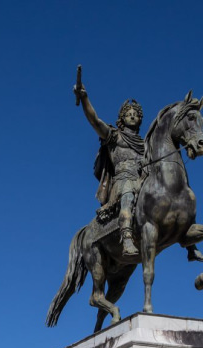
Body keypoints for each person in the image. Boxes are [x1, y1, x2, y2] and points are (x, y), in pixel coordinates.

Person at [74, 74, 145, 258]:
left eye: (135, 114)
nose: (132, 116)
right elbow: (95, 121)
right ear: (122, 118)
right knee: (128, 193)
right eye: (128, 114)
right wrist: (84, 98)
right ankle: (127, 238)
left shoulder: (145, 145)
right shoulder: (114, 137)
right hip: (121, 182)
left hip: (141, 180)